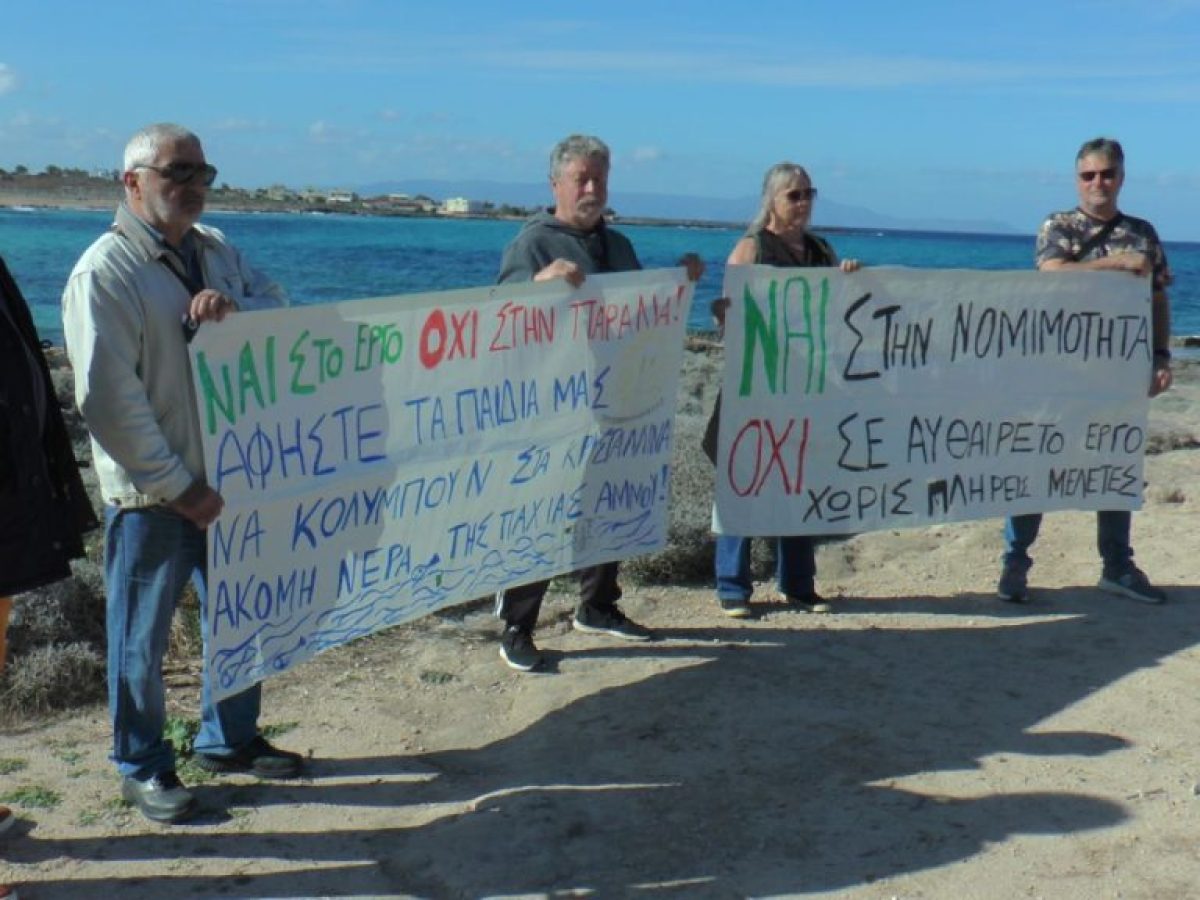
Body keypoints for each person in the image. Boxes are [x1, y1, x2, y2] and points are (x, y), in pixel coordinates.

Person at [62, 123, 301, 824]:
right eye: (177, 173)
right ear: (131, 182)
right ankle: (142, 764)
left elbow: (279, 308)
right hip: (154, 498)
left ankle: (228, 739)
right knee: (140, 638)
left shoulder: (218, 250)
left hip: (232, 479)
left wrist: (238, 310)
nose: (194, 186)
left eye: (203, 173)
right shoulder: (105, 272)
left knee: (242, 620)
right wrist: (176, 485)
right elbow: (108, 401)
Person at [493, 134, 704, 671]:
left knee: (610, 499)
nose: (592, 188)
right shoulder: (532, 245)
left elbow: (639, 312)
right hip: (549, 409)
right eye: (581, 179)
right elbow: (496, 318)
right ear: (556, 184)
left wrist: (679, 284)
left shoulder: (619, 246)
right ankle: (516, 626)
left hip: (611, 402)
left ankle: (598, 604)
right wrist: (539, 284)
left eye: (600, 179)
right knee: (539, 514)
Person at [997, 137, 1173, 606]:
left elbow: (1157, 298)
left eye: (1107, 173)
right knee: (1035, 462)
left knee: (1115, 465)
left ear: (1121, 177)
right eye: (1089, 175)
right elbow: (1051, 272)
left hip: (1115, 378)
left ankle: (1116, 566)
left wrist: (1160, 357)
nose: (1099, 183)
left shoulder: (1143, 232)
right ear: (1077, 179)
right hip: (1053, 374)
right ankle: (1015, 563)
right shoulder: (1059, 225)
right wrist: (1118, 263)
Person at [707, 162, 860, 618]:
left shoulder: (820, 250)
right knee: (743, 478)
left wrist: (851, 278)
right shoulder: (752, 248)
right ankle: (732, 585)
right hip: (756, 386)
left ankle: (798, 583)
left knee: (800, 481)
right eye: (794, 194)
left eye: (809, 193)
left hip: (805, 386)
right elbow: (728, 315)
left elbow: (838, 313)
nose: (803, 202)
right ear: (771, 199)